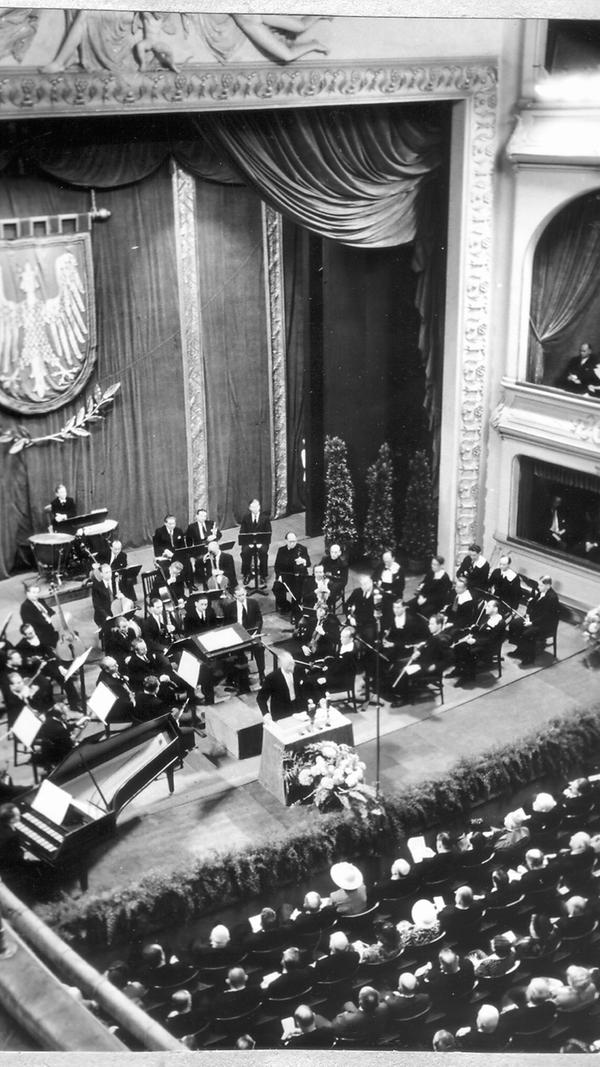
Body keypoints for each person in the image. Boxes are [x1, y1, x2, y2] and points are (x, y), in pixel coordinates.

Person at [391, 613, 448, 704]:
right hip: (422, 661)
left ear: (439, 625)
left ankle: (404, 698)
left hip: (427, 667)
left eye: (432, 624)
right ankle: (395, 690)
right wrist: (419, 651)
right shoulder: (434, 635)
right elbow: (426, 645)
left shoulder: (442, 640)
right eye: (429, 624)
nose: (429, 626)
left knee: (403, 671)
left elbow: (449, 659)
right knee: (398, 663)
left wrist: (436, 666)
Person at [449, 598, 505, 683]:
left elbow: (491, 640)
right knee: (458, 647)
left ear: (495, 609)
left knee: (468, 651)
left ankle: (468, 676)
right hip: (480, 641)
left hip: (489, 647)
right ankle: (458, 669)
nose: (485, 607)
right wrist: (474, 629)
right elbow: (483, 631)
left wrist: (475, 641)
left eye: (488, 606)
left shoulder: (500, 622)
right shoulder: (488, 617)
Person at [222, 584, 266, 685]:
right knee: (235, 652)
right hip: (237, 636)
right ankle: (238, 676)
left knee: (259, 648)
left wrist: (256, 631)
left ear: (246, 593)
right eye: (239, 595)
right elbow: (227, 624)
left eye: (243, 594)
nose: (242, 597)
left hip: (252, 634)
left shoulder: (253, 603)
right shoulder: (230, 607)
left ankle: (262, 674)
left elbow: (259, 619)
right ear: (235, 596)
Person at [256, 650, 305, 721]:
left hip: (298, 708)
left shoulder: (299, 670)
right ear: (282, 665)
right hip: (281, 711)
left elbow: (305, 686)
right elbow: (261, 698)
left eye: (292, 664)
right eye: (289, 665)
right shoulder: (272, 678)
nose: (292, 667)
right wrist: (266, 713)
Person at [273, 531, 311, 617]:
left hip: (298, 577)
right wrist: (279, 576)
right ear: (286, 541)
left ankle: (295, 610)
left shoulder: (302, 549)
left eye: (294, 541)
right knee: (276, 588)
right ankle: (286, 606)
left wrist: (304, 561)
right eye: (290, 541)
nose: (293, 543)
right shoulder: (281, 550)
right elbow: (277, 566)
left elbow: (309, 563)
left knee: (297, 592)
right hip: (285, 576)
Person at [31, 702, 75, 773]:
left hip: (51, 746)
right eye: (64, 714)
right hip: (60, 754)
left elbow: (66, 727)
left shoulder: (51, 720)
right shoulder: (58, 728)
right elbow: (68, 737)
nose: (67, 716)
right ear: (61, 715)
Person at [239, 499, 271, 584]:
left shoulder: (265, 518)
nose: (255, 508)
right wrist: (249, 543)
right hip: (249, 542)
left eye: (257, 506)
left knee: (263, 552)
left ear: (259, 507)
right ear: (249, 508)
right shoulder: (246, 518)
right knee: (245, 552)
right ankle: (247, 574)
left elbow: (268, 532)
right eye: (253, 507)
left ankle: (263, 575)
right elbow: (242, 532)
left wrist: (261, 543)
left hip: (262, 542)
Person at [185, 506, 221, 584]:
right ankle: (207, 578)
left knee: (218, 556)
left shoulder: (211, 523)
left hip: (211, 547)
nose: (203, 518)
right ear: (197, 516)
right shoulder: (192, 527)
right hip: (199, 549)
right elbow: (189, 543)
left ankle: (212, 576)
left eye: (205, 516)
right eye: (201, 516)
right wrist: (191, 555)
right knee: (205, 559)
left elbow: (219, 534)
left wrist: (215, 536)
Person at [20, 584, 58, 649]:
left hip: (52, 626)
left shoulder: (40, 600)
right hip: (43, 633)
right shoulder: (25, 607)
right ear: (27, 593)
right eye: (34, 593)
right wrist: (51, 624)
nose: (36, 595)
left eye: (37, 592)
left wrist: (56, 617)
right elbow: (32, 625)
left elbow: (50, 611)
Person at [90, 562, 116, 629]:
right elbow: (97, 605)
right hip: (103, 614)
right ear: (101, 574)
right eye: (106, 572)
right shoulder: (96, 586)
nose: (109, 574)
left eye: (110, 572)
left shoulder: (115, 581)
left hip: (116, 610)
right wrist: (107, 616)